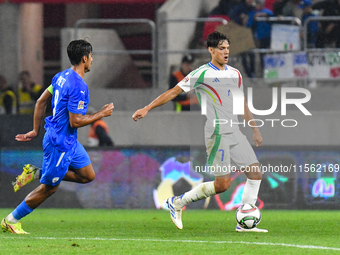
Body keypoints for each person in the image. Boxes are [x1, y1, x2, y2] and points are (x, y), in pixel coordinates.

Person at [132, 31, 267, 233]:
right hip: (217, 134)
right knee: (222, 185)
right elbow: (173, 92)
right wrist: (147, 108)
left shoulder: (234, 74)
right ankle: (178, 202)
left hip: (236, 132)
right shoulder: (202, 73)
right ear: (211, 50)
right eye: (221, 48)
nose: (226, 52)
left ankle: (244, 223)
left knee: (255, 173)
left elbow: (242, 103)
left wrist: (254, 129)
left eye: (228, 48)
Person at [1, 39, 114, 234]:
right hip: (59, 143)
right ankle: (11, 220)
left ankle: (36, 173)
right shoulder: (79, 87)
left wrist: (36, 130)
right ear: (85, 58)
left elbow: (40, 101)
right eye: (92, 56)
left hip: (68, 141)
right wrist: (101, 114)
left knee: (88, 176)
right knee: (49, 189)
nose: (92, 60)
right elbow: (75, 121)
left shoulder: (61, 77)